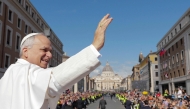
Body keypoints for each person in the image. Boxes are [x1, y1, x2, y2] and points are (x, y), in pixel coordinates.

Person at [0, 14, 113, 109]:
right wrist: (95, 47)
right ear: (26, 51)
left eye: (50, 51)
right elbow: (55, 79)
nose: (49, 55)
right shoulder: (23, 71)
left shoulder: (11, 74)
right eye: (44, 50)